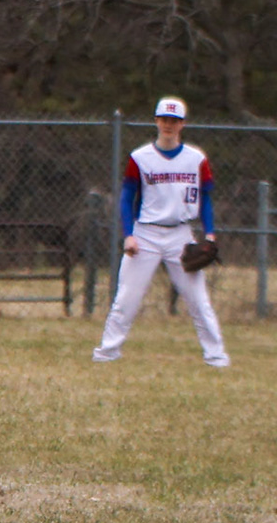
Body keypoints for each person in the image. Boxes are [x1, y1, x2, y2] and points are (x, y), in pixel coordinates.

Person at [94, 97, 229, 367]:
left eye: (174, 120)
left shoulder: (196, 159)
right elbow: (126, 198)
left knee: (199, 301)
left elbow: (206, 199)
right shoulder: (140, 158)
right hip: (146, 234)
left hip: (181, 235)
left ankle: (216, 357)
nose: (168, 125)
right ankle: (107, 353)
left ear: (182, 124)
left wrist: (210, 234)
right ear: (156, 121)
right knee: (126, 299)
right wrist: (128, 234)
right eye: (164, 119)